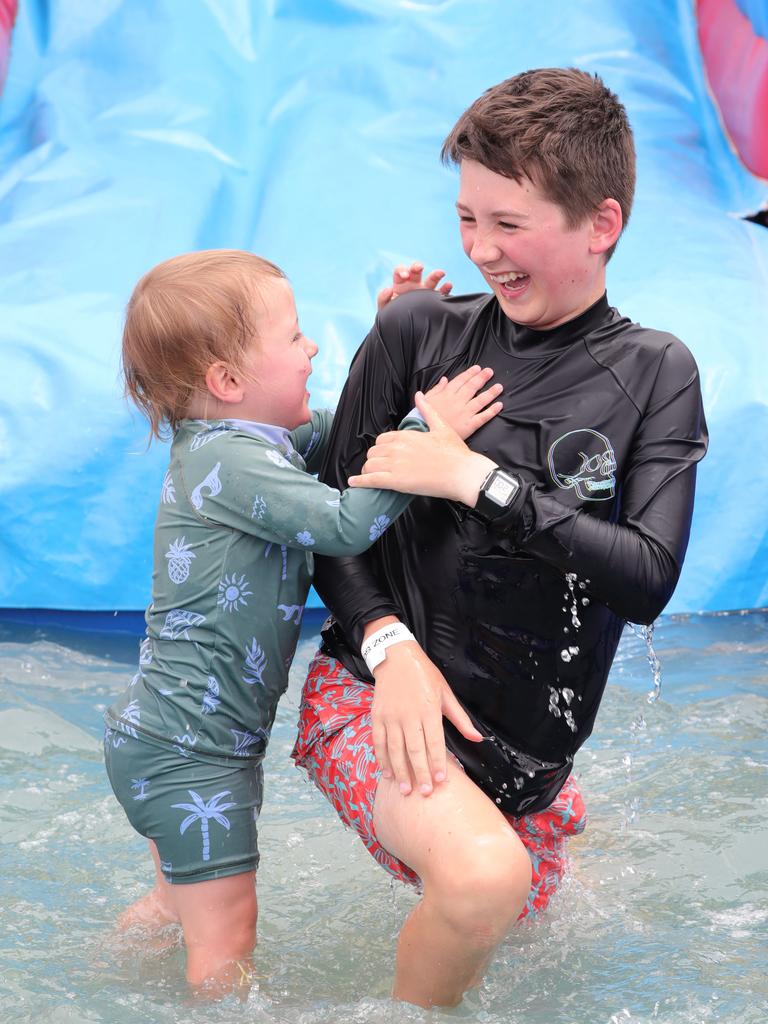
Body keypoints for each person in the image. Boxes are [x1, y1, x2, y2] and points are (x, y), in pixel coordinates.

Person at [292, 67, 709, 1008]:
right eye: (466, 219)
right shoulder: (416, 335)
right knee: (484, 883)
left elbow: (646, 580)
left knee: (546, 914)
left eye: (508, 224)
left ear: (601, 225)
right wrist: (389, 648)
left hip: (526, 759)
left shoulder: (656, 373)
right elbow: (330, 524)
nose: (481, 249)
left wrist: (473, 480)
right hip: (375, 691)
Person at [102, 248, 503, 993]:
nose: (311, 346)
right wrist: (430, 434)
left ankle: (104, 973)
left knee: (176, 903)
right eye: (293, 338)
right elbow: (349, 523)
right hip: (194, 757)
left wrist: (392, 342)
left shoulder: (251, 444)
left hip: (168, 738)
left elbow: (348, 434)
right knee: (226, 942)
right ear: (227, 381)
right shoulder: (233, 461)